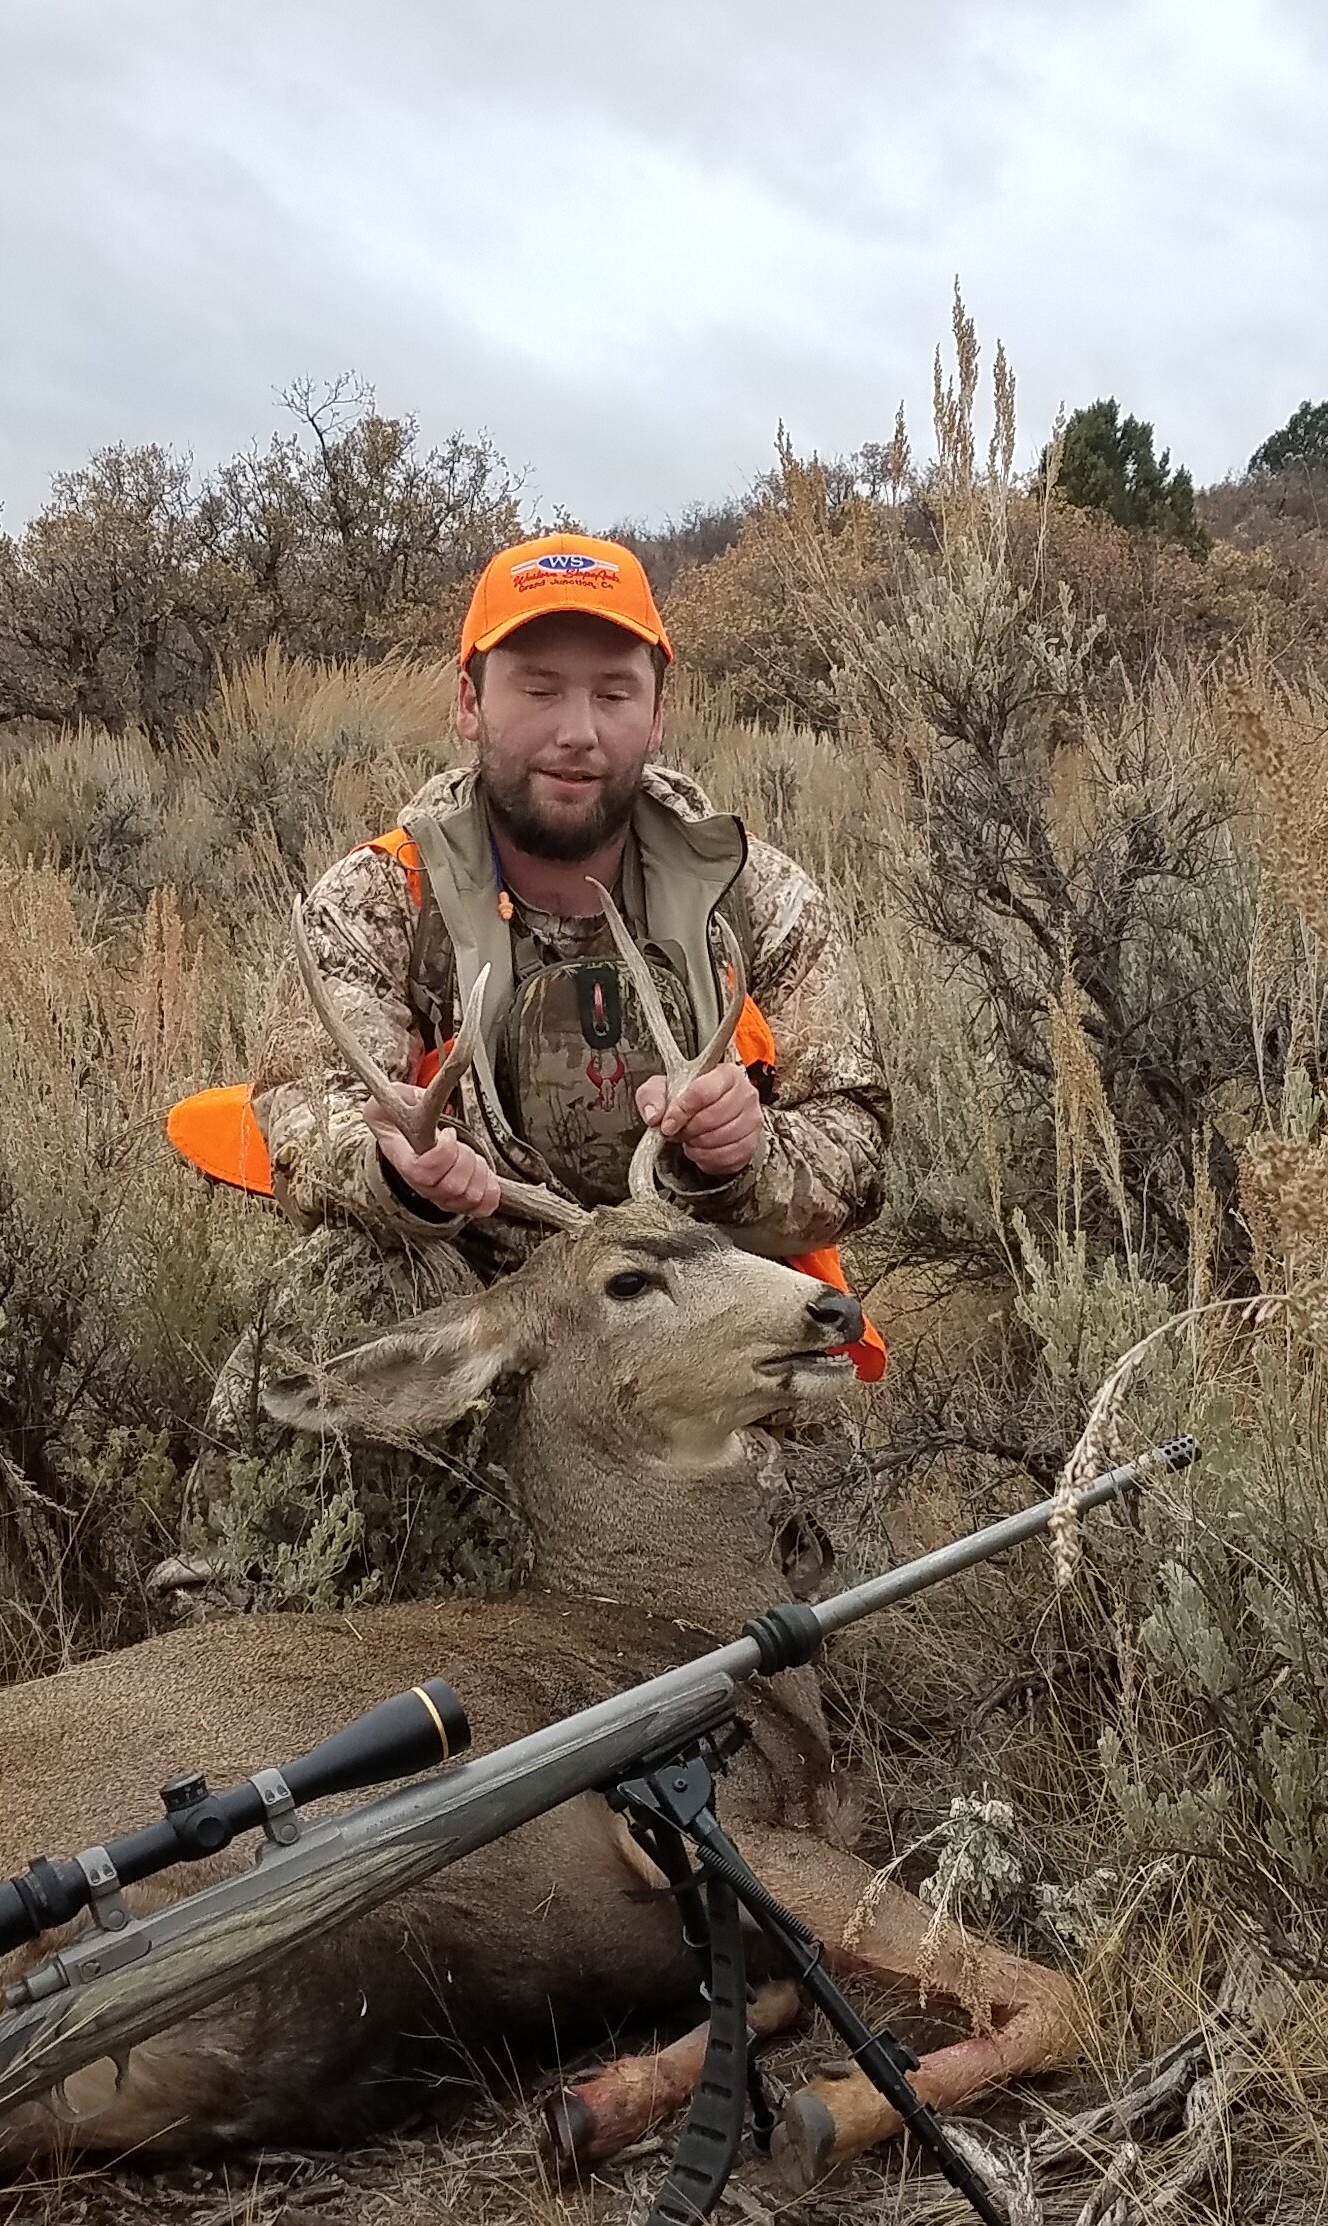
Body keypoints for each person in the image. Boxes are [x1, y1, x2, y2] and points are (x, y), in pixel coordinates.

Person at [170, 532, 888, 1601]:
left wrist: (745, 1157)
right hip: (479, 1291)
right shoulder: (379, 899)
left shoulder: (760, 898)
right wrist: (393, 1169)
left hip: (686, 1300)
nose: (576, 732)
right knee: (338, 1280)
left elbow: (856, 1143)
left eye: (612, 692)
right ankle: (245, 1615)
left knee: (804, 1590)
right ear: (469, 701)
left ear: (658, 705)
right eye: (537, 689)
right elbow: (299, 1107)